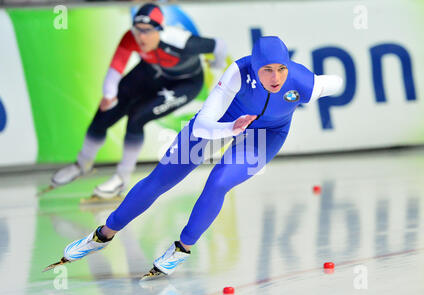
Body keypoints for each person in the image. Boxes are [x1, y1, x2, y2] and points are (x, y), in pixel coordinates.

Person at [51, 36, 343, 278]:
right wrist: (232, 127)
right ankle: (103, 234)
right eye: (267, 70)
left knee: (218, 182)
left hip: (267, 134)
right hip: (222, 122)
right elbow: (204, 124)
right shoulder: (237, 74)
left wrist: (322, 85)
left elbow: (337, 83)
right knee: (163, 178)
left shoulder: (303, 82)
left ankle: (182, 248)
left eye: (281, 69)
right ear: (254, 67)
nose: (276, 78)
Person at [50, 3, 227, 199]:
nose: (141, 37)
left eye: (147, 31)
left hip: (184, 83)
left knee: (137, 117)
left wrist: (216, 66)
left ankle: (122, 178)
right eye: (138, 30)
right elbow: (116, 67)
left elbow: (219, 45)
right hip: (150, 71)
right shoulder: (130, 37)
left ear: (159, 30)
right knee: (105, 112)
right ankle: (82, 164)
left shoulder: (181, 41)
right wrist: (109, 95)